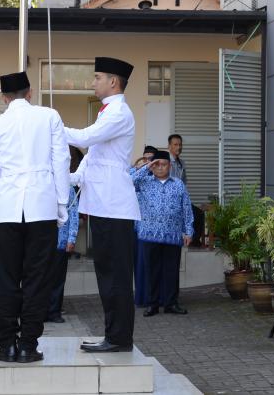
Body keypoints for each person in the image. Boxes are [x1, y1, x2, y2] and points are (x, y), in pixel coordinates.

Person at [0, 72, 71, 363]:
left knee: (5, 279)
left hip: (7, 208)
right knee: (37, 278)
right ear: (30, 92)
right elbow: (61, 160)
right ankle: (28, 345)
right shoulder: (49, 117)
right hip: (42, 206)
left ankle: (6, 344)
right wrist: (61, 202)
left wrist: (7, 193)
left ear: (4, 98)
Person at [65, 57, 140, 353]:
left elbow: (86, 138)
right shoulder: (107, 112)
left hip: (113, 206)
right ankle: (113, 335)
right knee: (106, 274)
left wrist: (51, 125)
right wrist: (70, 177)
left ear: (113, 81)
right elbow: (92, 155)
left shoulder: (118, 112)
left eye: (97, 77)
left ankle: (119, 338)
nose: (93, 82)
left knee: (116, 277)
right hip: (102, 204)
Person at [133, 150, 193, 316]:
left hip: (172, 235)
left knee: (171, 271)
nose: (160, 167)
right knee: (152, 270)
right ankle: (152, 304)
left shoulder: (178, 184)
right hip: (149, 234)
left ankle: (171, 304)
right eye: (156, 164)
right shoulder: (144, 182)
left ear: (170, 165)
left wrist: (188, 231)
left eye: (163, 164)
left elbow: (186, 208)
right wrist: (147, 166)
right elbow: (129, 182)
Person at [46, 146, 82, 324]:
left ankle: (54, 312)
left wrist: (71, 239)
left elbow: (73, 214)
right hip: (41, 242)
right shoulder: (41, 185)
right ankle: (39, 312)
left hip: (61, 241)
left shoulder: (67, 187)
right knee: (39, 278)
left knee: (58, 279)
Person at [168, 133, 203, 247]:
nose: (179, 147)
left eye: (180, 144)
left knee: (199, 214)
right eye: (175, 144)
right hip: (170, 201)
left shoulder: (181, 163)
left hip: (181, 199)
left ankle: (194, 241)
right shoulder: (166, 162)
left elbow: (184, 182)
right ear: (169, 146)